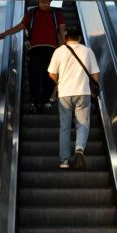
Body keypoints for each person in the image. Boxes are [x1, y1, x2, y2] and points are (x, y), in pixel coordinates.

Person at [0, 0, 66, 112]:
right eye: (44, 2)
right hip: (35, 49)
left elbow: (61, 31)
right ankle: (34, 101)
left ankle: (45, 101)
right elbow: (20, 26)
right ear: (39, 1)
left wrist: (65, 48)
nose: (46, 4)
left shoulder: (56, 13)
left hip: (51, 50)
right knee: (34, 76)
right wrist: (6, 33)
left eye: (48, 2)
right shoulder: (32, 13)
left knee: (49, 77)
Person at [47, 30, 99, 170]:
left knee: (64, 127)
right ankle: (79, 150)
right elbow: (95, 74)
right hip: (83, 92)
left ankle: (64, 161)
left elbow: (51, 73)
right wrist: (93, 90)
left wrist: (60, 82)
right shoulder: (88, 51)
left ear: (66, 38)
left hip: (64, 93)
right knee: (82, 123)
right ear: (80, 38)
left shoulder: (58, 51)